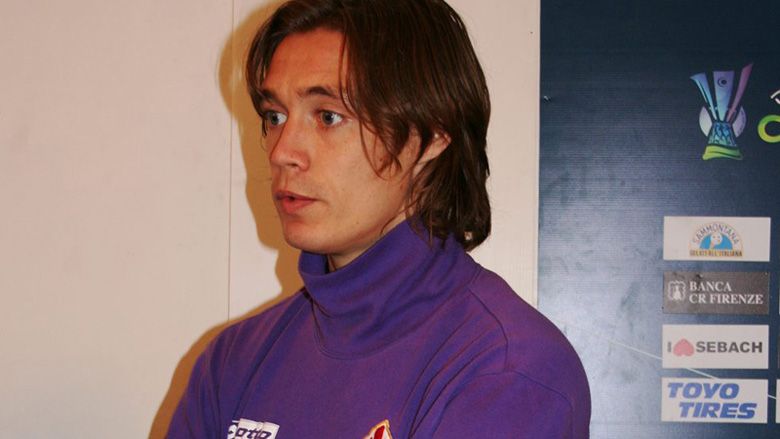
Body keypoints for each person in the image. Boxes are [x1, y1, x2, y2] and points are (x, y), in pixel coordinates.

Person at [167, 0, 590, 437]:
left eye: (328, 117)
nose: (282, 152)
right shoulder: (232, 363)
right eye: (275, 116)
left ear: (433, 134)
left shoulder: (506, 369)